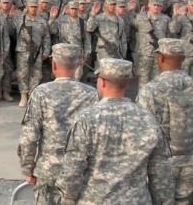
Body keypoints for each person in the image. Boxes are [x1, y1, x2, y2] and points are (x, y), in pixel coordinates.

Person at [57, 58, 174, 204]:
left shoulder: (87, 118)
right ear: (127, 83)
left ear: (102, 82)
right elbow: (161, 172)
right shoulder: (148, 118)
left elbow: (73, 168)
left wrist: (67, 199)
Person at [17, 44, 98, 205]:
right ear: (78, 65)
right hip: (80, 171)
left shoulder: (41, 93)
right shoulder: (91, 94)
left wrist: (28, 168)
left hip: (48, 171)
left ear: (54, 65)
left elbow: (29, 136)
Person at [136, 38, 193, 204]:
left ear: (160, 58)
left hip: (162, 163)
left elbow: (143, 131)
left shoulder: (151, 90)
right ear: (183, 59)